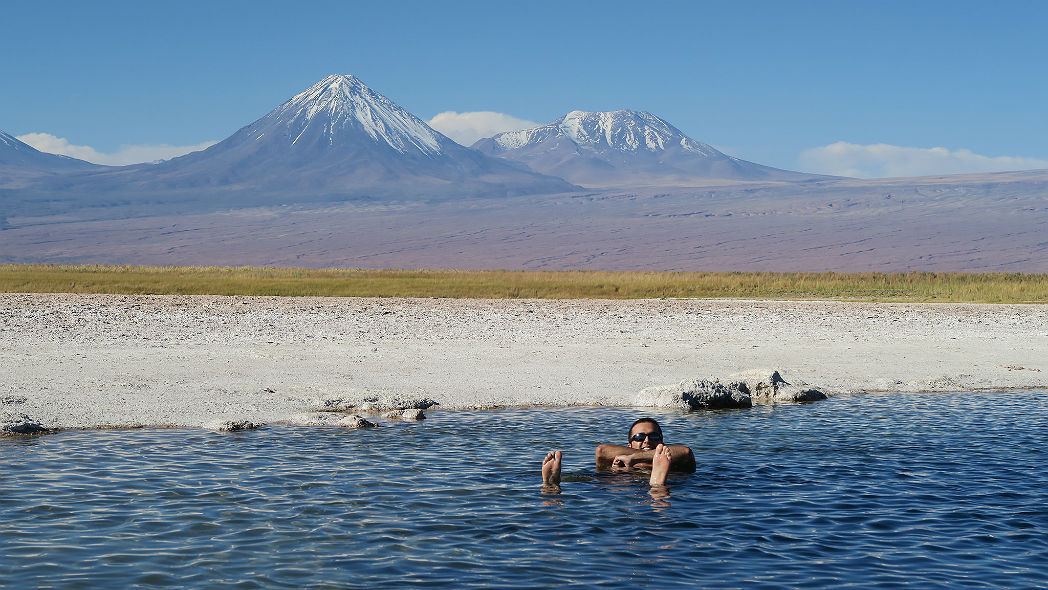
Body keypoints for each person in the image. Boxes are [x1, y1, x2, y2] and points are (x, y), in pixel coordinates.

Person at [542, 417, 695, 490]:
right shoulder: (622, 456)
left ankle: (657, 483)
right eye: (640, 437)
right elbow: (601, 451)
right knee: (592, 479)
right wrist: (624, 469)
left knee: (663, 488)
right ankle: (551, 483)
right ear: (629, 444)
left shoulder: (671, 457)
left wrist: (634, 458)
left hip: (663, 475)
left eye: (653, 437)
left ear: (662, 442)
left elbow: (686, 452)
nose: (647, 441)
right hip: (626, 481)